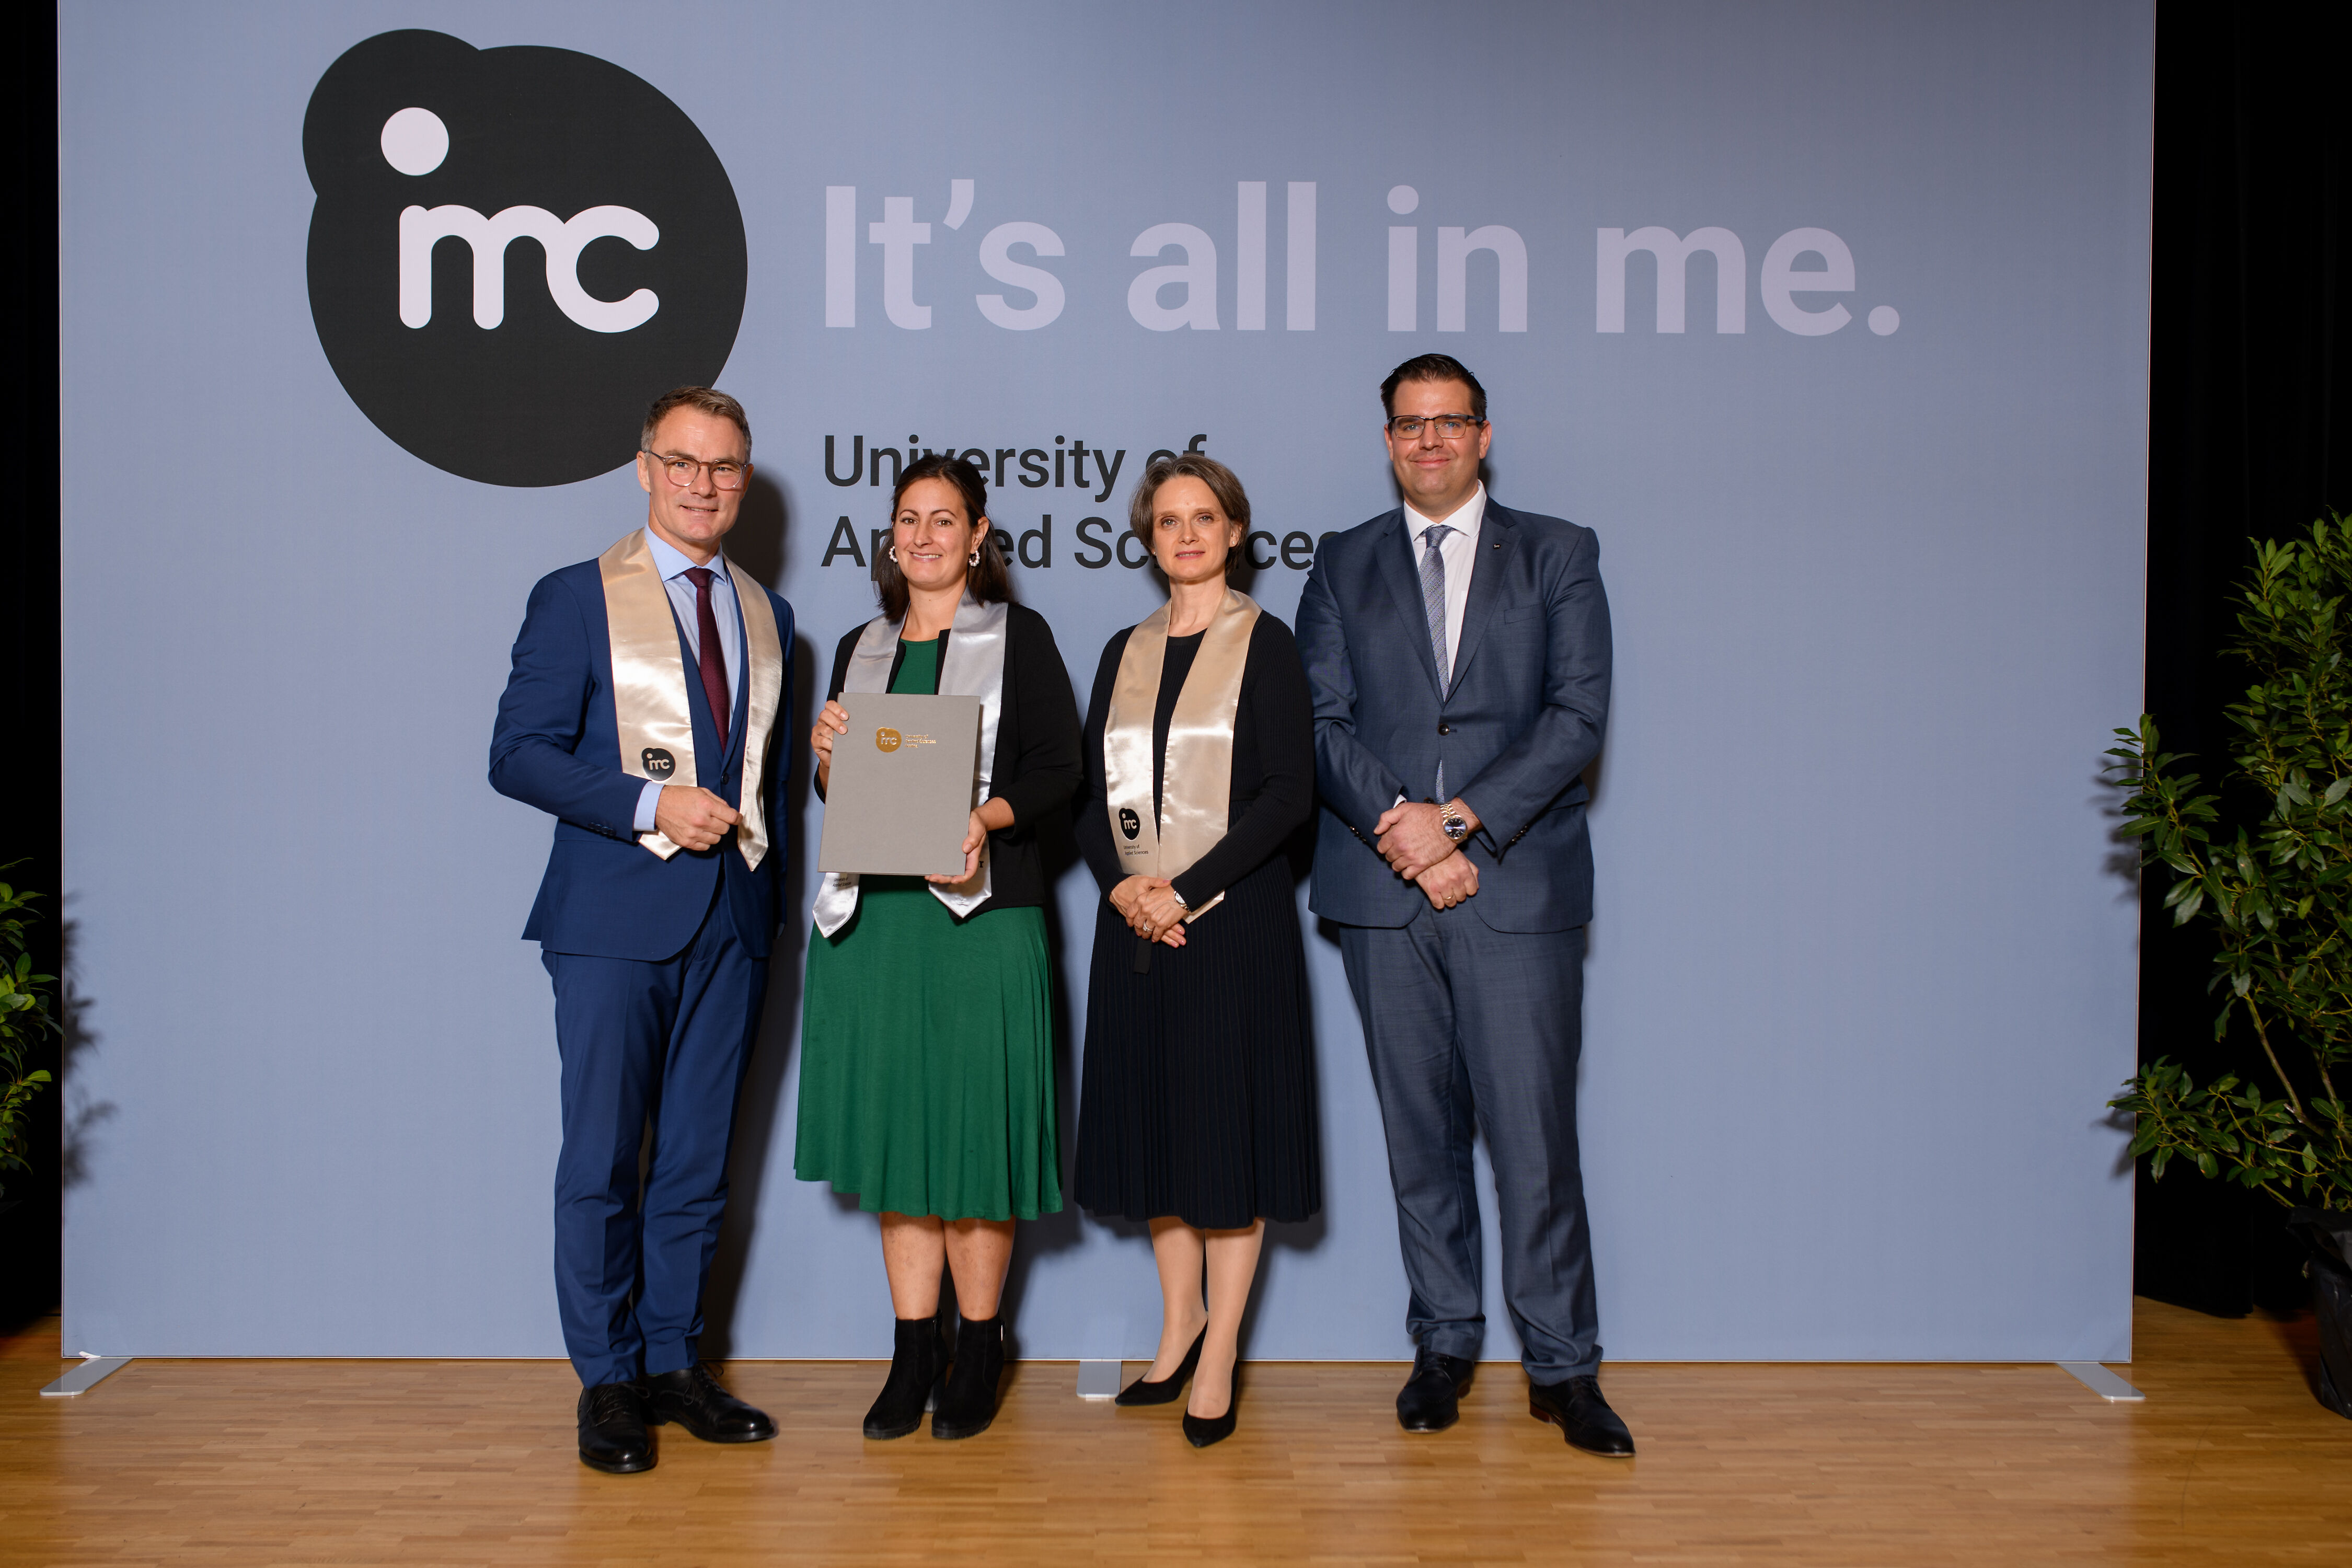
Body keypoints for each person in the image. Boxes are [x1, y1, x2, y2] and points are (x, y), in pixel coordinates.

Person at [1294, 354, 1631, 1456]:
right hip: (1383, 889)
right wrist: (1403, 825)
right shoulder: (1343, 560)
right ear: (1388, 438)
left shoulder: (1559, 552)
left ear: (1484, 435)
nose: (1429, 441)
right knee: (1420, 1139)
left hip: (1514, 885)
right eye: (1409, 424)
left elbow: (1577, 716)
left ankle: (1563, 1369)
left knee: (1534, 1142)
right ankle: (1443, 1344)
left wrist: (1458, 822)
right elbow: (1319, 720)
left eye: (1449, 422)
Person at [489, 386, 792, 1474]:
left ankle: (674, 1362)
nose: (704, 485)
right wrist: (648, 802)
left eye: (725, 467)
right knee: (604, 1158)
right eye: (683, 463)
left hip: (733, 921)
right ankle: (608, 1379)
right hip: (614, 918)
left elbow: (764, 776)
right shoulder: (576, 597)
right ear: (645, 468)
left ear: (744, 478)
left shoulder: (768, 612)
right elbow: (517, 754)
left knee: (698, 1165)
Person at [798, 453, 1081, 1442]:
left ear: (977, 535)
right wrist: (825, 759)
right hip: (877, 924)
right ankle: (914, 1347)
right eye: (909, 519)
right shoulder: (860, 646)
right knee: (900, 1134)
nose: (924, 536)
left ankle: (981, 1343)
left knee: (973, 1135)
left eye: (944, 519)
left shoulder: (1019, 637)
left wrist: (985, 817)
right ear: (891, 537)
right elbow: (844, 794)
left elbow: (1062, 770)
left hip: (981, 916)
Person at [1072, 454, 1319, 1449]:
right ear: (1149, 537)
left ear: (1234, 531)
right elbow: (1088, 797)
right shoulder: (1123, 650)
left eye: (1203, 518)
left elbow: (1288, 796)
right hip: (1135, 924)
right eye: (1168, 520)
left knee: (1224, 1137)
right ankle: (1177, 1331)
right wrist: (1126, 888)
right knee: (1157, 1130)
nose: (1186, 535)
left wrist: (1185, 890)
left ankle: (1221, 1357)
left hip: (1232, 925)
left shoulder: (1269, 643)